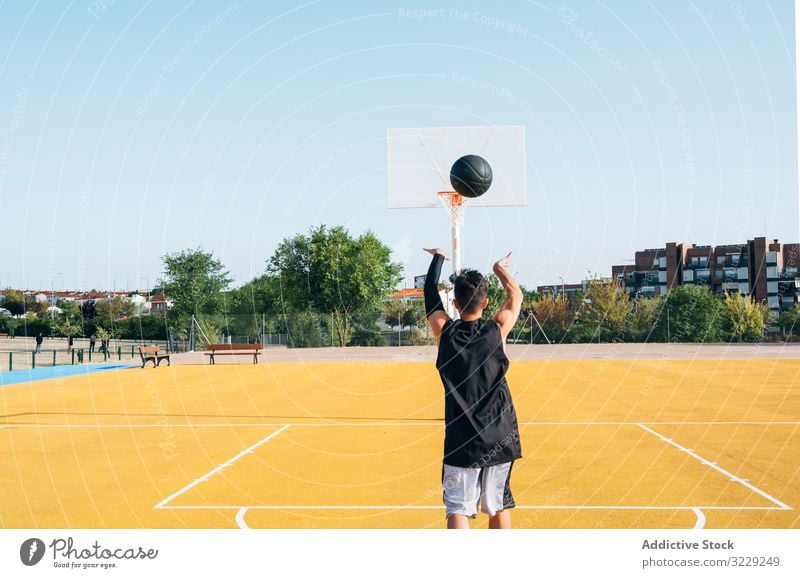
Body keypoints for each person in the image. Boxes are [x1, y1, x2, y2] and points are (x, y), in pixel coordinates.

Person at [423, 248, 523, 529]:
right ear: (486, 302)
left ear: (454, 303)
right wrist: (499, 269)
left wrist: (438, 258)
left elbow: (429, 294)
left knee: (458, 509)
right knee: (498, 505)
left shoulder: (445, 332)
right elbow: (515, 297)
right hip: (498, 437)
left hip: (461, 441)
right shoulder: (497, 329)